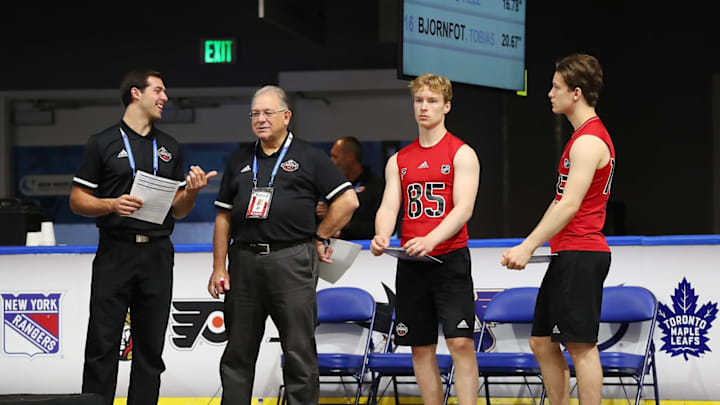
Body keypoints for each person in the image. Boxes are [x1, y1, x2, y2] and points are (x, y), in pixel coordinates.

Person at [70, 69, 217, 405]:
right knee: (102, 345)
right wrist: (110, 203)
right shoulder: (102, 143)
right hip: (115, 252)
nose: (165, 98)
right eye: (159, 91)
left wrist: (192, 192)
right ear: (136, 93)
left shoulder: (169, 146)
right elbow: (77, 200)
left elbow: (178, 210)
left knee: (150, 349)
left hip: (157, 254)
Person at [207, 85, 359, 405]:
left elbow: (348, 201)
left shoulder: (309, 156)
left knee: (298, 351)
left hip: (292, 259)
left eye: (268, 113)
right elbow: (223, 217)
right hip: (244, 262)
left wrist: (321, 235)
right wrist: (219, 267)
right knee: (237, 352)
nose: (260, 119)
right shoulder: (238, 159)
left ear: (286, 117)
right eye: (255, 114)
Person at [500, 53, 615, 405]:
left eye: (556, 87)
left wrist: (528, 247)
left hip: (583, 252)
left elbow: (569, 205)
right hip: (569, 252)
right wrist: (529, 242)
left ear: (576, 93)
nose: (550, 94)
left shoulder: (589, 141)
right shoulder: (579, 139)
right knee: (542, 341)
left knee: (581, 346)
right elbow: (558, 201)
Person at [370, 73, 480, 405]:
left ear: (446, 106)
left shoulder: (462, 153)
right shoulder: (399, 160)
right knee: (420, 346)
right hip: (411, 262)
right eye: (419, 100)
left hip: (450, 260)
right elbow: (390, 205)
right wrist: (382, 234)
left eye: (432, 101)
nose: (424, 107)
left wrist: (431, 238)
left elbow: (464, 208)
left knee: (460, 342)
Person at [315, 136, 384, 240]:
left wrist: (337, 218)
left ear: (350, 157)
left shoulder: (376, 186)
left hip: (368, 251)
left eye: (335, 156)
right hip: (333, 248)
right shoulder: (332, 185)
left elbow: (379, 228)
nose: (331, 161)